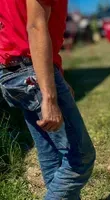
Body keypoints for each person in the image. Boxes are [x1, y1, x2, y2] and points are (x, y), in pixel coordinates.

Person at [0, 0, 96, 199]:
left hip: (11, 71)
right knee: (81, 157)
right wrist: (49, 96)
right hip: (31, 70)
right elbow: (35, 26)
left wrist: (57, 75)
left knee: (52, 156)